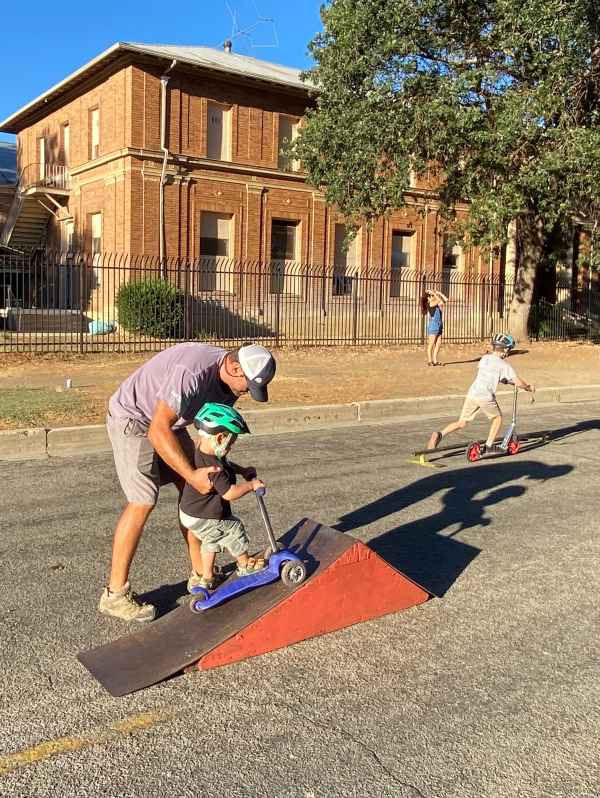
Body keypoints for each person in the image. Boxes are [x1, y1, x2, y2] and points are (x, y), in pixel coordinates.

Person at [99, 342, 276, 623]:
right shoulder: (192, 372)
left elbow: (209, 436)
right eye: (245, 387)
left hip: (170, 424)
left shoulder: (228, 382)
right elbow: (158, 429)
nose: (243, 393)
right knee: (143, 500)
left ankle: (201, 575)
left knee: (193, 489)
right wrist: (192, 474)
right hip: (135, 419)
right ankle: (115, 595)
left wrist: (229, 468)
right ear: (234, 367)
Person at [179, 403, 267, 590]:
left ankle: (207, 577)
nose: (231, 447)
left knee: (211, 539)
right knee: (233, 528)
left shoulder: (204, 452)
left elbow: (227, 463)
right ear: (220, 437)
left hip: (191, 513)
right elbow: (229, 493)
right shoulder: (213, 467)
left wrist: (242, 470)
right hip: (203, 515)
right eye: (231, 442)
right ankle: (244, 565)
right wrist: (251, 485)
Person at [426, 333, 534, 454]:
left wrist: (505, 381)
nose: (508, 352)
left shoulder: (485, 358)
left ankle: (440, 434)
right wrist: (528, 387)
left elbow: (492, 374)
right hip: (485, 395)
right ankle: (489, 445)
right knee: (497, 418)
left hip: (473, 393)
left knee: (462, 422)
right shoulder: (504, 365)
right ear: (505, 349)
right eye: (508, 349)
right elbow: (519, 382)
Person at [422, 289, 448, 366]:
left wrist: (439, 293)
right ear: (428, 298)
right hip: (433, 325)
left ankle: (435, 360)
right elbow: (439, 299)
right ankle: (430, 361)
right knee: (431, 343)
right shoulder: (430, 304)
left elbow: (445, 300)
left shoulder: (436, 304)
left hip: (439, 324)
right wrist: (434, 293)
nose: (433, 297)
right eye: (431, 296)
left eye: (433, 296)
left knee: (438, 343)